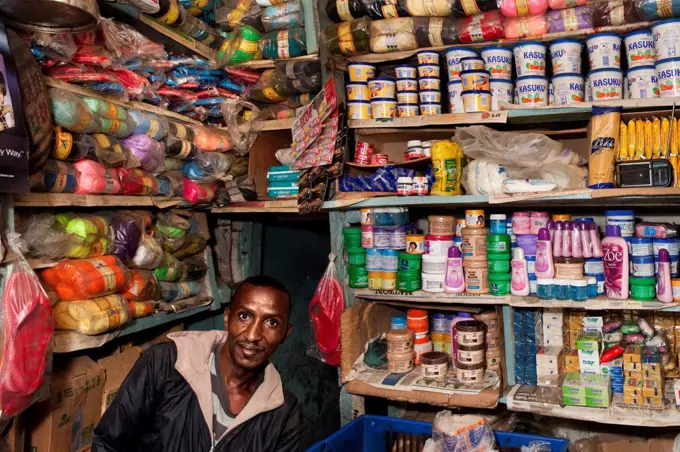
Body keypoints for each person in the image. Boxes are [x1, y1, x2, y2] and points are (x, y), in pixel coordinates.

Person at [92, 275, 302, 452]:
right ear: (227, 318)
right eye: (245, 316)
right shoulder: (165, 364)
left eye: (271, 322)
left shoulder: (284, 413)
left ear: (286, 334)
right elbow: (108, 443)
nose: (253, 335)